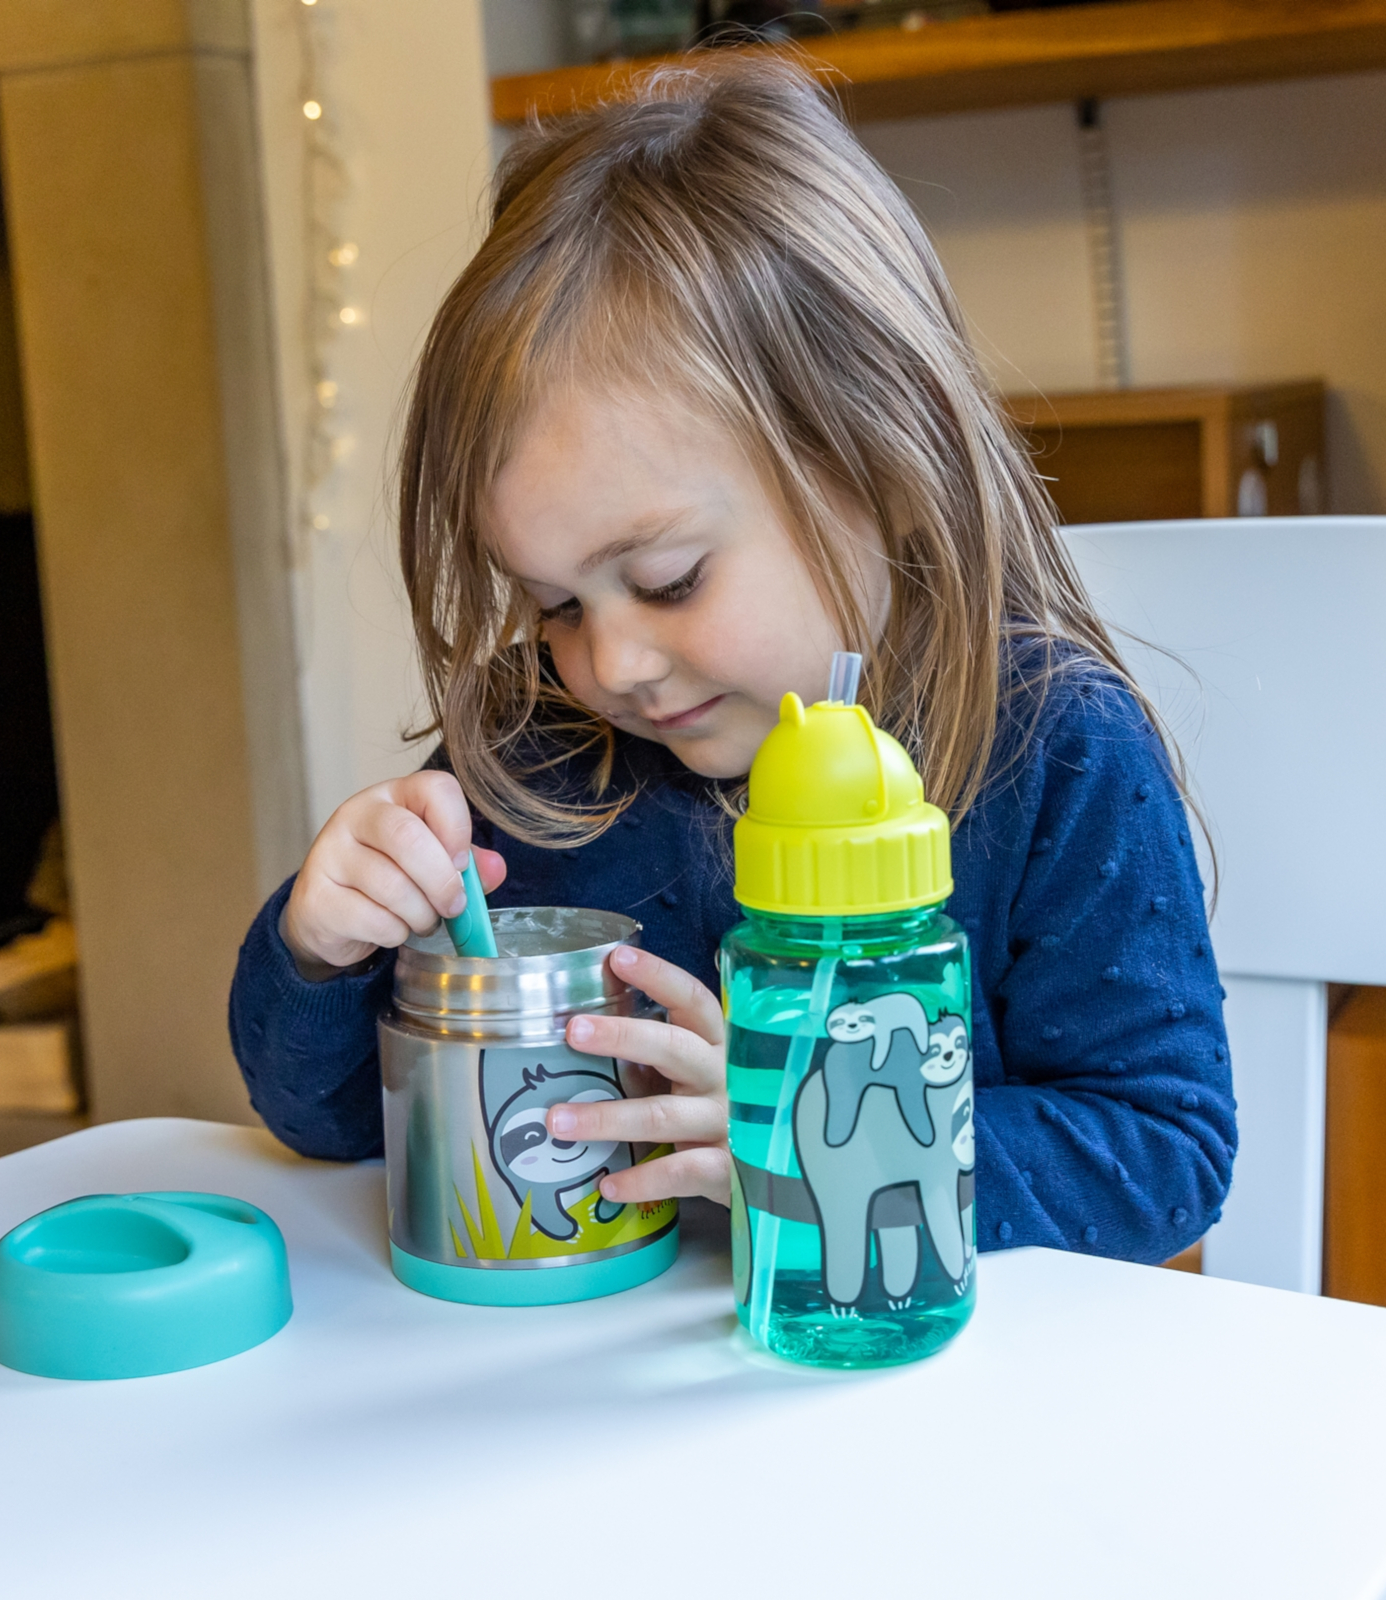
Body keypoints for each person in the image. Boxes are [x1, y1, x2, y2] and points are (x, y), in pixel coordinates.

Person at [229, 57, 1235, 1263]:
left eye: (667, 581)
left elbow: (1159, 1147)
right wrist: (321, 952)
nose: (610, 662)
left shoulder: (1052, 748)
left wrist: (804, 1141)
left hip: (928, 1398)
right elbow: (339, 1123)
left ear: (880, 464)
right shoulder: (536, 755)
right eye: (551, 602)